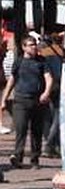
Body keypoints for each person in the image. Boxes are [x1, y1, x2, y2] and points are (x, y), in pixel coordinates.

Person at [0, 33, 52, 168]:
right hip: (21, 100)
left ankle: (35, 159)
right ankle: (17, 156)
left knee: (36, 131)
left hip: (37, 101)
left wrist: (46, 93)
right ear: (24, 47)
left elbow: (49, 78)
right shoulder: (19, 62)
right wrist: (4, 99)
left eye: (35, 44)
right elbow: (12, 81)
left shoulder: (41, 61)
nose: (34, 47)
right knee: (21, 128)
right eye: (31, 45)